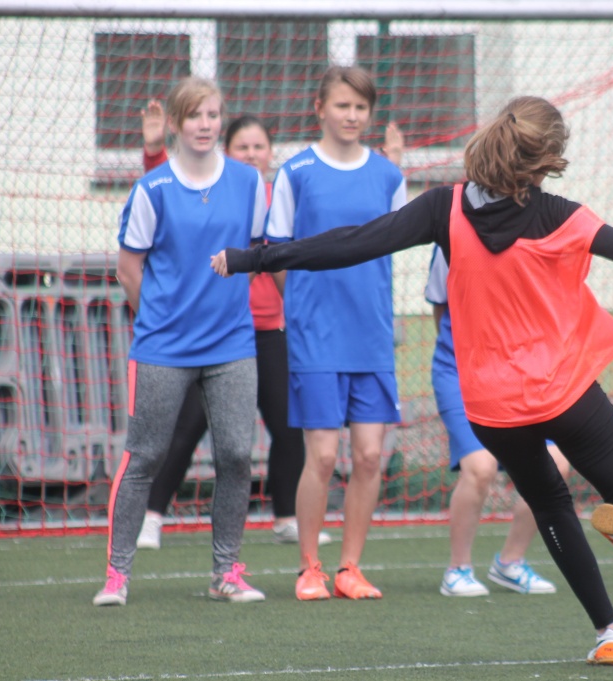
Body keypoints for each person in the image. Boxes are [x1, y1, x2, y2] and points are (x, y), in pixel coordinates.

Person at [211, 95, 613, 664]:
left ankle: (610, 631)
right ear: (545, 160)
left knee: (550, 503)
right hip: (562, 389)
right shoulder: (562, 215)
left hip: (490, 405)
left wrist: (254, 259)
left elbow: (354, 242)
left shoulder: (446, 207)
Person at [94, 76, 268, 606]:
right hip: (162, 349)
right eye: (194, 116)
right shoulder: (152, 189)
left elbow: (259, 252)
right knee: (145, 455)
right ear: (175, 123)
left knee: (237, 455)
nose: (205, 125)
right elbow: (128, 270)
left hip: (233, 345)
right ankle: (117, 577)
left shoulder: (249, 182)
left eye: (213, 115)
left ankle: (226, 574)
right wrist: (162, 321)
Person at [132, 103, 315, 548]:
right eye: (242, 146)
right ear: (225, 150)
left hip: (267, 330)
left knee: (289, 426)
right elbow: (175, 197)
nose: (251, 154)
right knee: (186, 428)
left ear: (270, 153)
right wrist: (155, 151)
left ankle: (287, 516)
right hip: (211, 332)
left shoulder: (272, 197)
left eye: (259, 146)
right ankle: (151, 516)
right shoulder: (217, 188)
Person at [265, 66, 407, 602]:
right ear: (319, 107)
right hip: (315, 338)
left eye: (361, 108)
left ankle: (350, 569)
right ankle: (309, 568)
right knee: (322, 457)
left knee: (369, 456)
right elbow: (277, 252)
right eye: (342, 105)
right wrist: (302, 309)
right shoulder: (296, 172)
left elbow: (397, 245)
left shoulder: (390, 176)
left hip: (370, 336)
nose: (351, 116)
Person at [426, 246, 566, 597]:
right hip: (460, 373)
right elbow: (439, 307)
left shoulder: (538, 232)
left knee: (558, 464)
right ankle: (457, 570)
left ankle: (510, 563)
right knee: (481, 467)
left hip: (518, 373)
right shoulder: (451, 234)